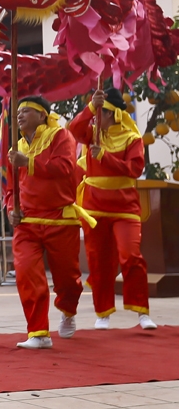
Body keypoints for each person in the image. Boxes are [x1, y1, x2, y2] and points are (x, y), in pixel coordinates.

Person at [67, 88, 156, 331]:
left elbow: (134, 169)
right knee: (99, 261)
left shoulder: (132, 138)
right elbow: (73, 129)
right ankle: (103, 312)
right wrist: (89, 107)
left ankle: (141, 312)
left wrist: (105, 157)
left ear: (113, 114)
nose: (96, 117)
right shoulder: (91, 134)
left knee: (131, 256)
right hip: (94, 206)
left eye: (100, 113)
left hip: (125, 206)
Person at [8, 96, 88, 349]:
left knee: (67, 278)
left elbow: (65, 167)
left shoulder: (61, 136)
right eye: (18, 112)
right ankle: (39, 332)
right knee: (27, 274)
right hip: (28, 221)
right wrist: (12, 208)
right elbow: (11, 186)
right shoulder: (16, 145)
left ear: (42, 115)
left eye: (27, 111)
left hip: (59, 218)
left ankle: (68, 308)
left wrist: (28, 162)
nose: (19, 115)